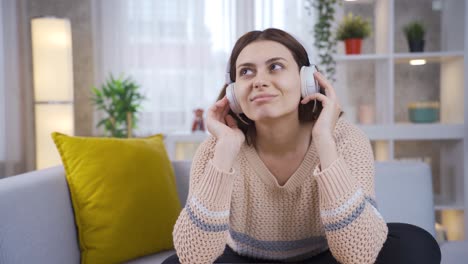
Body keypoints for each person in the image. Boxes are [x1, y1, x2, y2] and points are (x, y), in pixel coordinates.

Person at [162, 28, 441, 264]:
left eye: (275, 67)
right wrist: (225, 149)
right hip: (245, 259)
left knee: (415, 245)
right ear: (234, 93)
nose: (259, 81)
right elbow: (193, 257)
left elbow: (360, 253)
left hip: (325, 257)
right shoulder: (217, 147)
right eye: (246, 72)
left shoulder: (346, 139)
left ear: (307, 81)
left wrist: (324, 142)